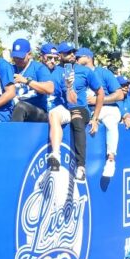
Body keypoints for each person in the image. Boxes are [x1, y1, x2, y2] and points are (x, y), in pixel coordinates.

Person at [46, 42, 103, 181]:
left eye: (73, 52)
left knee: (76, 117)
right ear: (60, 55)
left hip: (81, 109)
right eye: (67, 52)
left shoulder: (85, 71)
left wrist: (95, 118)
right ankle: (55, 156)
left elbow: (100, 93)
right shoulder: (56, 72)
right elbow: (52, 91)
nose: (72, 54)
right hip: (65, 109)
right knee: (53, 114)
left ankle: (81, 167)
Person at [76, 48, 123, 177]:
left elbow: (119, 95)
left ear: (88, 57)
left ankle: (111, 159)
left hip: (107, 108)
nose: (75, 60)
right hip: (86, 110)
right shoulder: (75, 73)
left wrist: (98, 99)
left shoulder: (103, 73)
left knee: (110, 122)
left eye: (78, 57)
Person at [10, 38, 54, 123]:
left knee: (20, 107)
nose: (17, 60)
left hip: (38, 111)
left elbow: (50, 88)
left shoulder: (39, 68)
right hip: (15, 109)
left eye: (21, 57)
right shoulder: (11, 69)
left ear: (29, 55)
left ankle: (14, 135)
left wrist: (26, 81)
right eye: (15, 57)